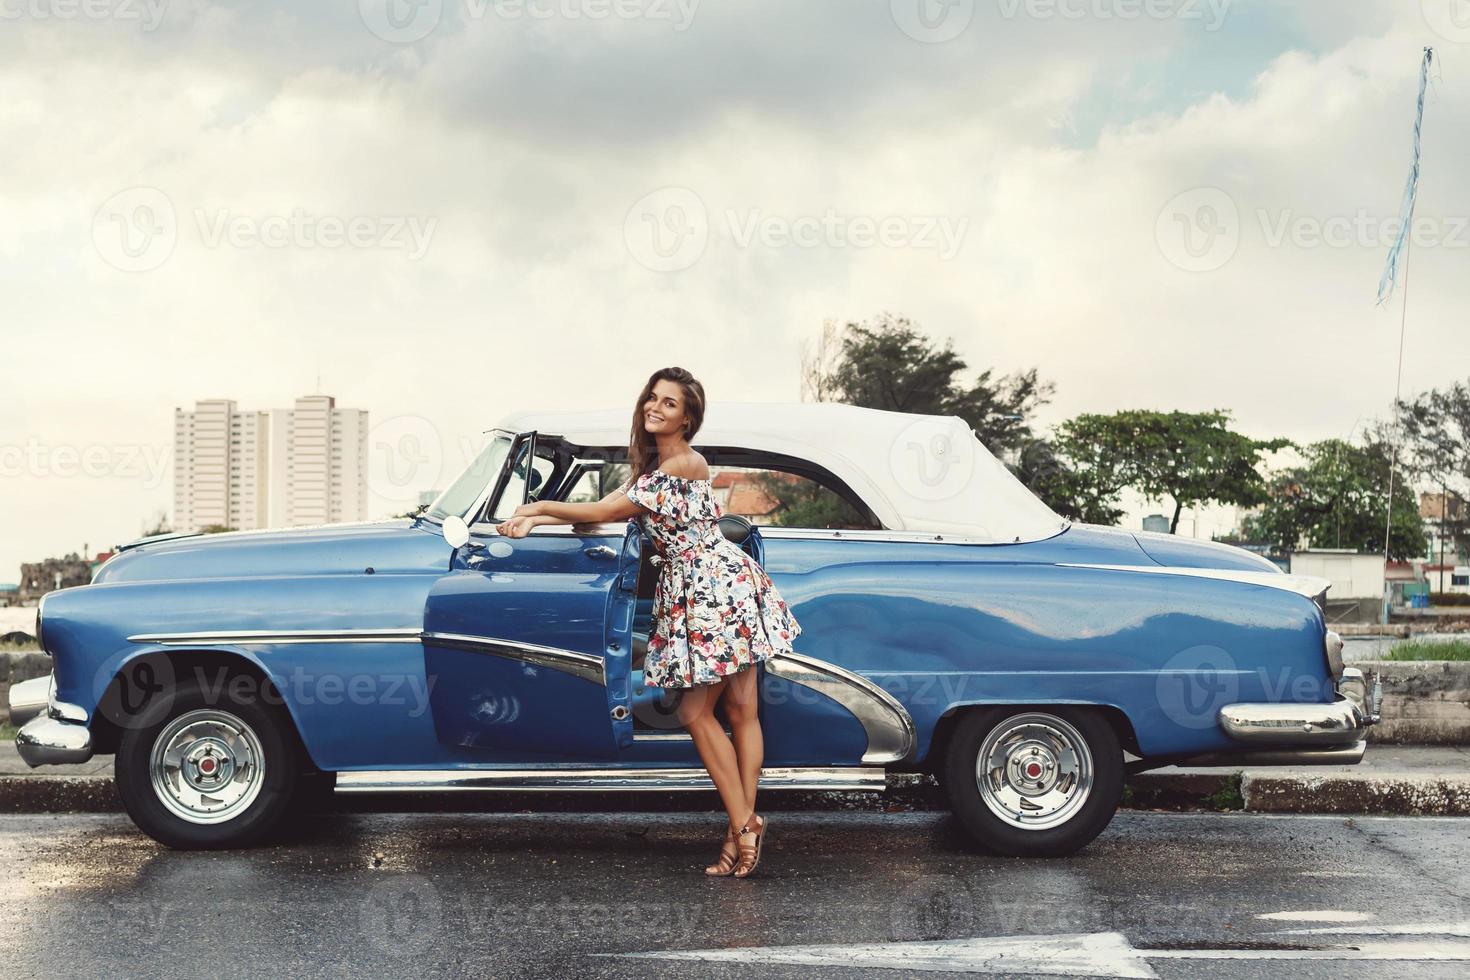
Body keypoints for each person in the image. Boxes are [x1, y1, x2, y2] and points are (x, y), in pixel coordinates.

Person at [494, 367, 802, 877]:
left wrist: (532, 505)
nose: (655, 408)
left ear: (688, 419)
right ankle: (739, 833)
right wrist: (536, 520)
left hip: (710, 590)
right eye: (651, 399)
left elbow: (601, 508)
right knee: (742, 713)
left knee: (696, 715)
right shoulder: (659, 471)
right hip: (722, 583)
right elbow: (600, 514)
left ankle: (745, 824)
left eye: (669, 404)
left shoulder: (681, 464)